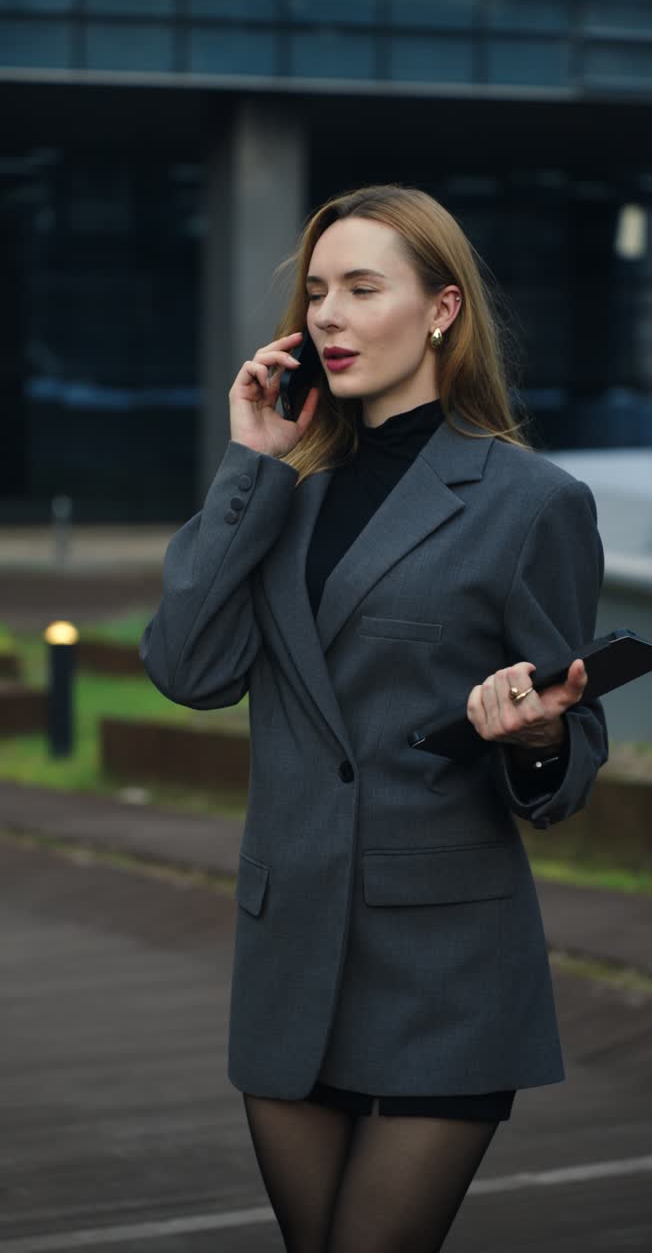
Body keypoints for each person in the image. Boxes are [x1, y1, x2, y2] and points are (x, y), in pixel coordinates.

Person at [140, 184, 608, 1253]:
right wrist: (248, 459)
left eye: (361, 288)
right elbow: (187, 667)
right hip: (289, 943)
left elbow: (573, 751)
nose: (329, 318)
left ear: (442, 309)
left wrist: (537, 735)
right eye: (315, 294)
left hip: (445, 956)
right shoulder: (280, 491)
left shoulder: (530, 501)